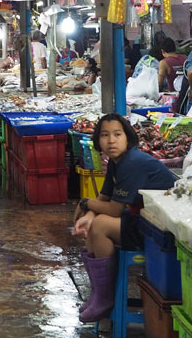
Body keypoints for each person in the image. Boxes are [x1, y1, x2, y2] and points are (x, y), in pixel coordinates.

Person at [72, 113, 176, 322]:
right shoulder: (115, 162)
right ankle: (98, 294)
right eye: (105, 135)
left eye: (117, 134)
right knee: (94, 222)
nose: (111, 140)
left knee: (101, 225)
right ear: (98, 141)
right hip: (142, 218)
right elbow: (104, 197)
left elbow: (114, 210)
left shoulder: (132, 163)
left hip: (160, 229)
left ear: (127, 138)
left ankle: (104, 297)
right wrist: (89, 213)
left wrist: (85, 204)